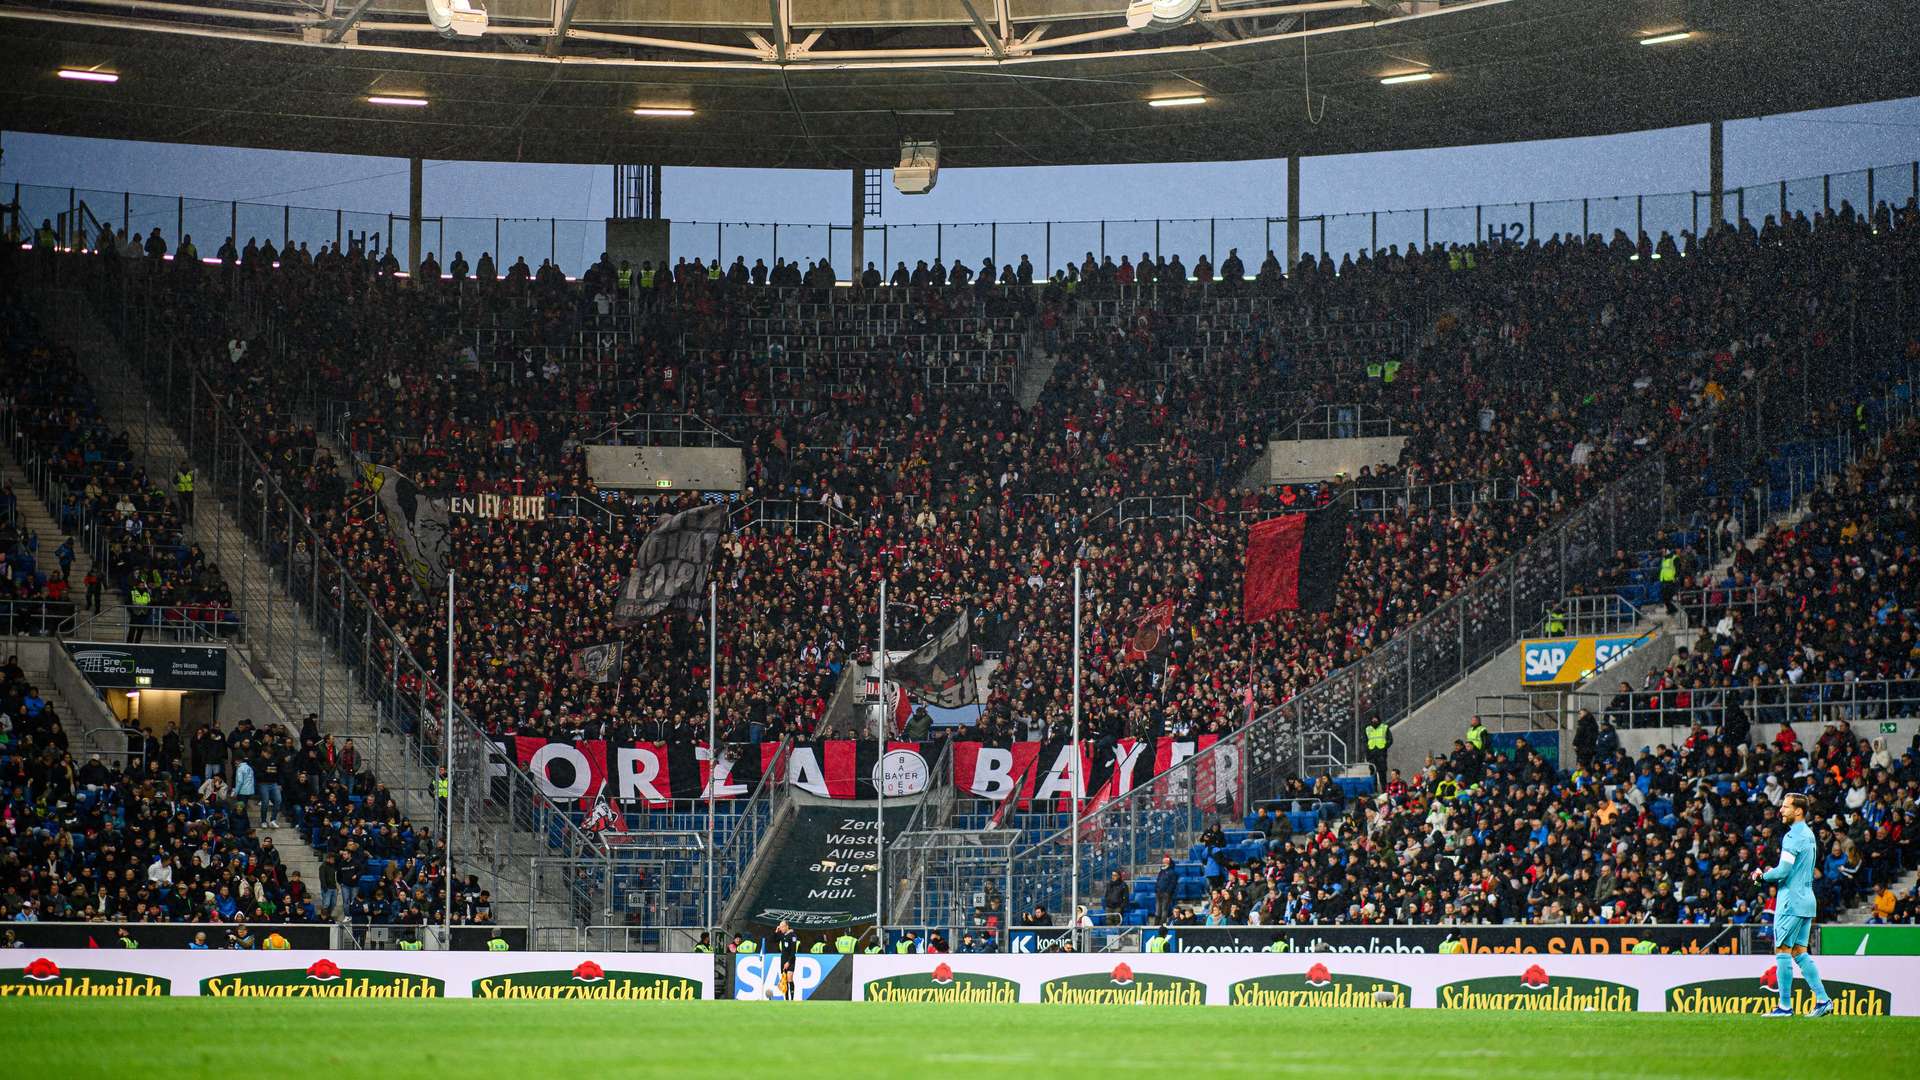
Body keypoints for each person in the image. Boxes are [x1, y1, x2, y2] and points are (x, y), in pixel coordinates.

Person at [1753, 792, 1833, 1017]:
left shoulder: (1792, 836)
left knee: (1782, 951)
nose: (1781, 810)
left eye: (1786, 807)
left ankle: (1785, 1006)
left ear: (1798, 811)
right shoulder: (1808, 834)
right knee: (1799, 951)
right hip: (1807, 899)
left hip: (1791, 901)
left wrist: (1762, 876)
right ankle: (1823, 1000)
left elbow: (1784, 871)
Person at [774, 919, 800, 999]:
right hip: (783, 959)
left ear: (787, 926)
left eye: (782, 926)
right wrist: (776, 932)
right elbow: (772, 940)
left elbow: (793, 951)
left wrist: (788, 962)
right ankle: (786, 999)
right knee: (784, 979)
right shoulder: (781, 935)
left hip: (791, 960)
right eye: (780, 926)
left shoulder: (793, 936)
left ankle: (792, 998)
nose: (781, 928)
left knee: (789, 978)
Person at [1154, 855, 1178, 925]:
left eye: (1166, 862)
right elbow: (1158, 881)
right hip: (1159, 893)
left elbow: (1173, 883)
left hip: (1166, 894)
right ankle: (1156, 924)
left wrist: (1168, 892)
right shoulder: (1161, 872)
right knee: (1157, 909)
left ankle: (1162, 923)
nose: (1164, 863)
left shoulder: (1172, 872)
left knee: (1164, 909)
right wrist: (1156, 889)